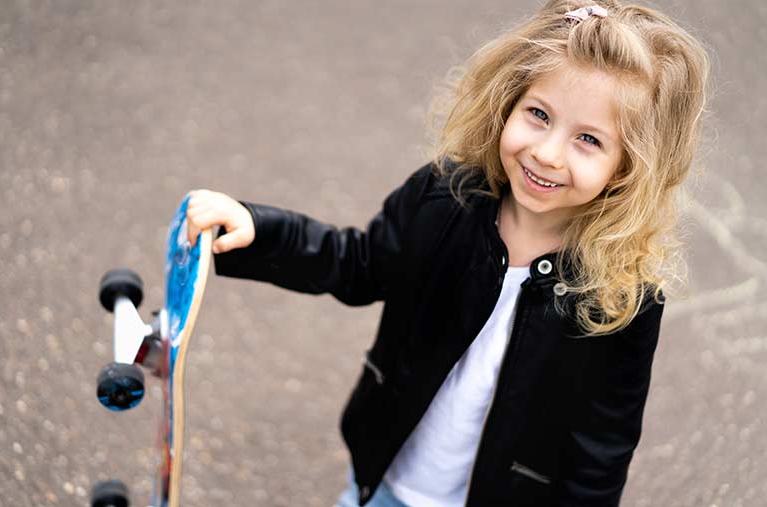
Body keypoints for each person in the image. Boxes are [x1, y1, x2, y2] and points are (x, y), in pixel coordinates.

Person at [186, 0, 710, 505]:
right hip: (385, 474)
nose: (547, 153)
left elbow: (602, 445)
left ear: (630, 168)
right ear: (507, 100)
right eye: (538, 114)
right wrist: (261, 230)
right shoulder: (444, 198)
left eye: (589, 140)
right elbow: (357, 263)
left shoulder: (622, 294)